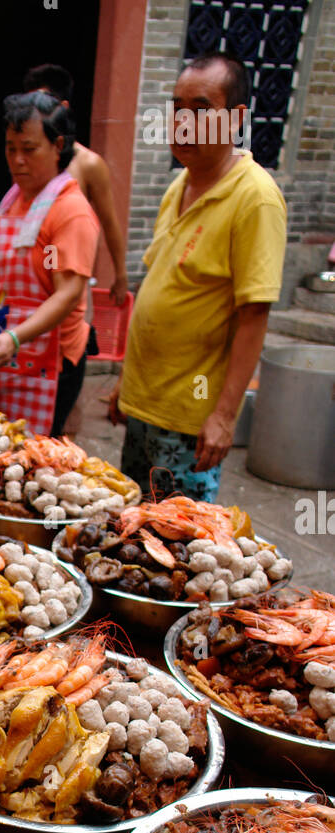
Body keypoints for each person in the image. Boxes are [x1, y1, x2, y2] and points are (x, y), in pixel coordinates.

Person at [109, 51, 287, 502]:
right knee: (127, 527)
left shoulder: (255, 198)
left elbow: (254, 316)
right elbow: (159, 286)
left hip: (189, 420)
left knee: (176, 535)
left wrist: (224, 416)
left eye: (201, 109)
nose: (183, 122)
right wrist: (126, 384)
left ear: (236, 119)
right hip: (144, 406)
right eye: (177, 108)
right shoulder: (180, 185)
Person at [0, 93, 99, 438]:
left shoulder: (69, 211)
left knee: (38, 451)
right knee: (4, 442)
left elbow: (67, 293)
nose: (17, 160)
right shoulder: (13, 200)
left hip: (50, 362)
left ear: (58, 146)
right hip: (8, 348)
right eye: (10, 148)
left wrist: (15, 337)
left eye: (29, 149)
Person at [23, 64, 128, 307]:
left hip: (69, 279)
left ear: (62, 108)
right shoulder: (23, 163)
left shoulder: (88, 164)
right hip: (29, 280)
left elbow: (109, 222)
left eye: (41, 105)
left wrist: (120, 275)